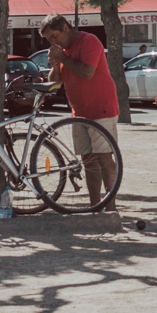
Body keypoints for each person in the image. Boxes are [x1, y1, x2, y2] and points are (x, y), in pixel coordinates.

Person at [41, 14, 120, 211]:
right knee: (88, 160)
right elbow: (56, 81)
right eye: (49, 39)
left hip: (101, 108)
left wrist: (63, 58)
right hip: (79, 111)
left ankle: (110, 208)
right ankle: (95, 206)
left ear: (66, 28)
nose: (53, 42)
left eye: (54, 36)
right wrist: (55, 64)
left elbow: (87, 72)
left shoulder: (89, 41)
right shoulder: (63, 51)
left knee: (104, 157)